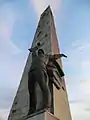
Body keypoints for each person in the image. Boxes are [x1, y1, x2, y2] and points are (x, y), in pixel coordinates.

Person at [28, 43, 67, 115]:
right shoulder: (35, 56)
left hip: (41, 70)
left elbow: (54, 56)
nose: (39, 52)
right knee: (31, 91)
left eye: (41, 51)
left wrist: (61, 55)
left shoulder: (47, 56)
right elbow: (33, 51)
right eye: (39, 51)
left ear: (43, 52)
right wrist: (35, 48)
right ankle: (32, 109)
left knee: (44, 86)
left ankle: (46, 105)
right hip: (31, 72)